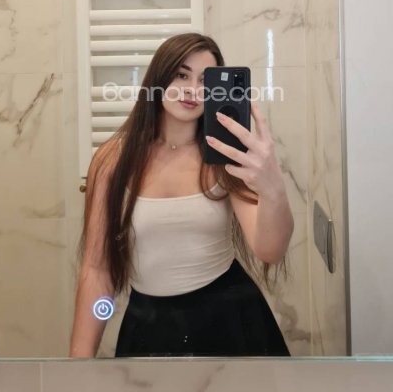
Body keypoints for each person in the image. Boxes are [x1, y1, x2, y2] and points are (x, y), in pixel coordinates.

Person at [69, 33, 294, 358]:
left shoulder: (225, 156)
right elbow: (97, 270)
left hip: (231, 318)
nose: (192, 90)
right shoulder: (112, 161)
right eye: (181, 75)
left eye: (205, 81)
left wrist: (273, 187)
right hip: (147, 323)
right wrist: (79, 363)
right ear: (159, 79)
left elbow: (269, 250)